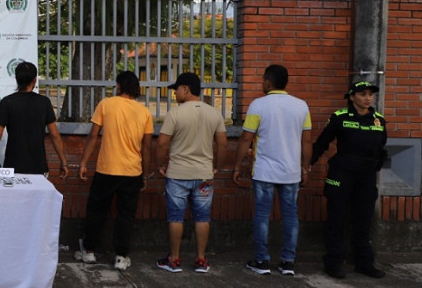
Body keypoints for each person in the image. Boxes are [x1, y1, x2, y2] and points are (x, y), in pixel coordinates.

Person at [232, 64, 312, 276]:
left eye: (263, 80)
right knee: (291, 217)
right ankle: (288, 262)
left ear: (268, 82)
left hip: (264, 171)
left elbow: (246, 138)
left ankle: (261, 260)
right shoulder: (301, 106)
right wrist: (305, 167)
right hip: (291, 173)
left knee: (261, 216)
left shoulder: (258, 105)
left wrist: (237, 167)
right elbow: (307, 141)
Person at [75, 71, 153, 270]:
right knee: (126, 214)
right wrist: (145, 173)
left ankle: (90, 251)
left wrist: (84, 162)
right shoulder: (144, 112)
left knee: (96, 210)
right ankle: (121, 256)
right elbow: (147, 146)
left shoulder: (106, 104)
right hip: (132, 171)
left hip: (106, 169)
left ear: (119, 86)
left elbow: (93, 136)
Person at [311, 81, 388, 279]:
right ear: (352, 97)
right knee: (336, 218)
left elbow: (381, 148)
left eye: (370, 94)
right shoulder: (340, 117)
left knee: (363, 219)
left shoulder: (378, 120)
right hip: (342, 173)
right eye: (363, 94)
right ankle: (333, 263)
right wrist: (307, 164)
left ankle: (364, 263)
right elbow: (322, 143)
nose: (368, 98)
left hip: (366, 177)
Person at [154, 73, 228, 274]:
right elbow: (222, 144)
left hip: (177, 173)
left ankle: (175, 260)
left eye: (176, 89)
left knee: (176, 217)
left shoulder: (175, 114)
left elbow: (161, 143)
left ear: (186, 89)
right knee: (202, 217)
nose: (175, 93)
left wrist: (160, 165)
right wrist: (216, 167)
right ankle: (201, 260)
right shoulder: (214, 113)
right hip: (204, 174)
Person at [0, 61, 69, 177]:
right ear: (34, 80)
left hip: (13, 165)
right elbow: (54, 134)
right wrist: (64, 162)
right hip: (38, 165)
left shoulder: (7, 102)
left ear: (17, 79)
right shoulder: (44, 102)